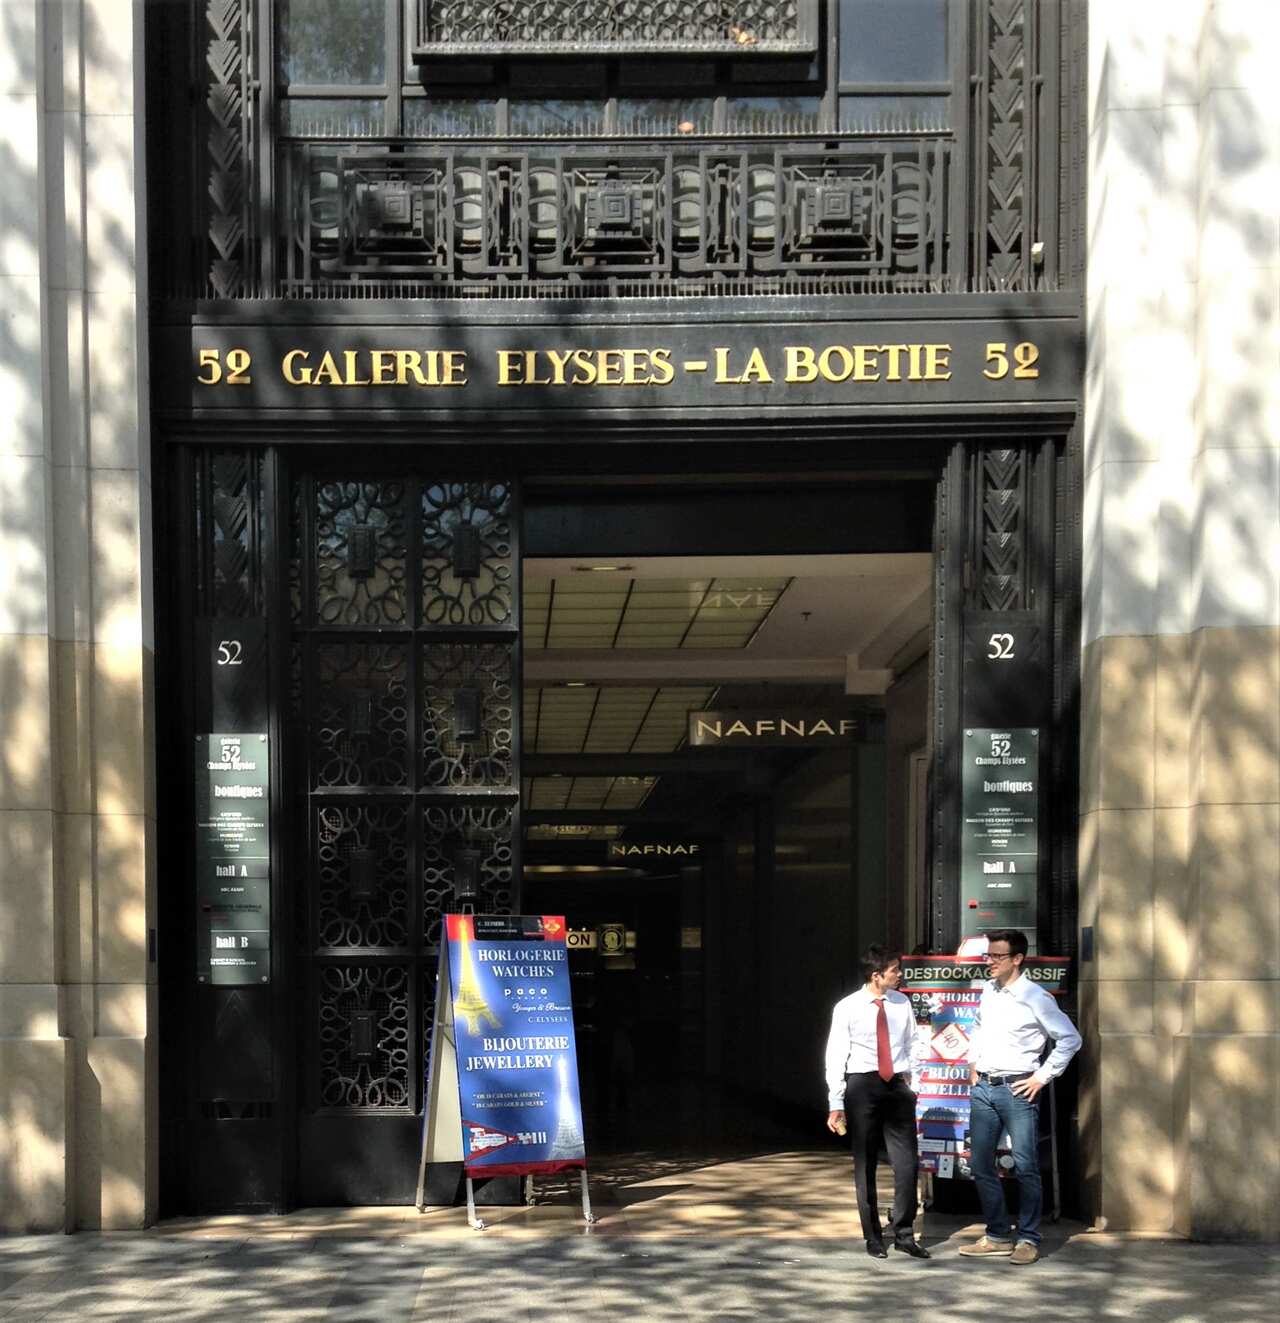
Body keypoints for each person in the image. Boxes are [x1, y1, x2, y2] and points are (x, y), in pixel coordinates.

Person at [958, 930, 1081, 1265]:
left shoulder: (1036, 996)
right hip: (984, 1087)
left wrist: (1041, 1077)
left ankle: (1028, 1237)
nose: (990, 962)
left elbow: (1069, 1039)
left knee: (1026, 1166)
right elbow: (979, 1027)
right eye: (988, 955)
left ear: (1017, 959)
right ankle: (998, 1233)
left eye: (998, 956)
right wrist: (973, 1062)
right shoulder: (988, 991)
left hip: (1017, 1089)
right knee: (980, 1164)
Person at [825, 945, 929, 1260]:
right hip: (862, 1084)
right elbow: (836, 1053)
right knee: (865, 1162)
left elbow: (913, 1042)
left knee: (907, 1162)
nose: (900, 975)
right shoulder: (847, 1007)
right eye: (895, 970)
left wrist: (916, 1084)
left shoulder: (902, 1003)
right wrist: (836, 1100)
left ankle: (904, 1232)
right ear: (876, 975)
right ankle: (872, 1236)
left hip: (897, 1086)